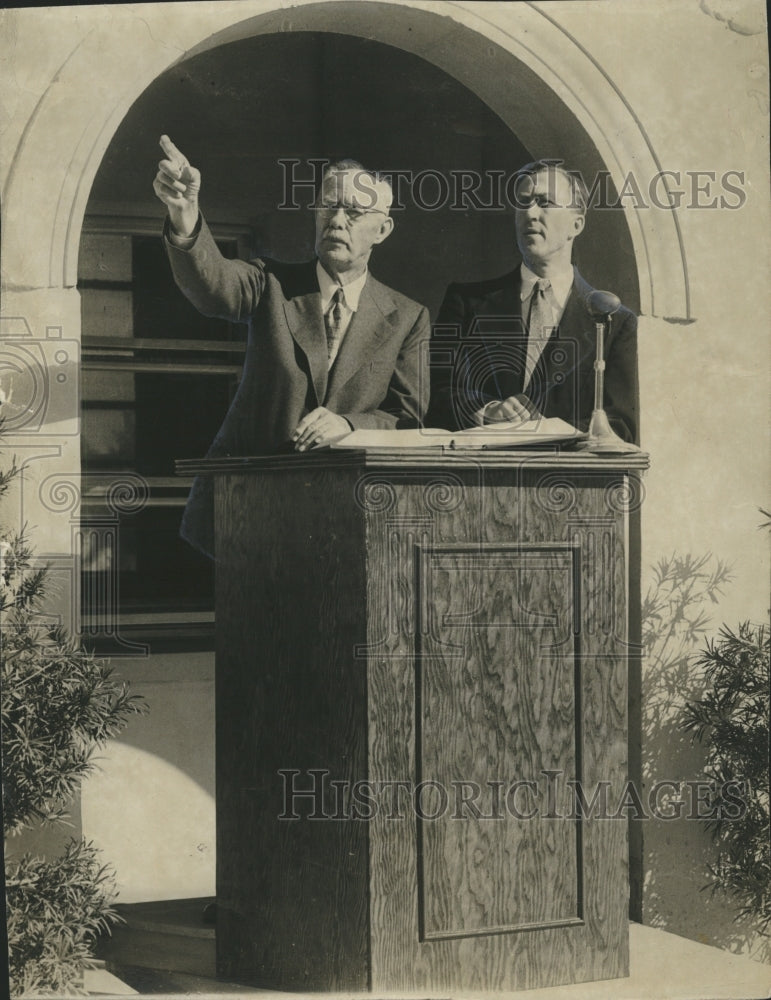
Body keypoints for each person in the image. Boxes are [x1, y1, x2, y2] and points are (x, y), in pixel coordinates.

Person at [153, 136, 430, 557]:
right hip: (253, 510)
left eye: (354, 211)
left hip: (350, 519)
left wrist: (350, 425)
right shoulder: (270, 283)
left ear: (383, 230)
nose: (337, 220)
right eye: (328, 206)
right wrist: (184, 214)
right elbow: (212, 287)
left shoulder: (408, 317)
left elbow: (406, 418)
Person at [425, 160, 638, 443]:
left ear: (576, 224)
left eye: (544, 202)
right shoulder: (465, 303)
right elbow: (434, 396)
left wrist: (544, 431)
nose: (530, 213)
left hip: (570, 482)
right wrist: (486, 411)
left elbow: (621, 428)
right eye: (523, 203)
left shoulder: (614, 322)